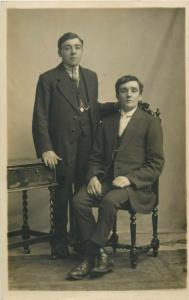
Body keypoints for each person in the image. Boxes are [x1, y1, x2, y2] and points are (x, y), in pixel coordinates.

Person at [67, 74, 164, 280]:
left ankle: (89, 256)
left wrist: (129, 179)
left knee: (109, 201)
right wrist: (93, 176)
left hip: (136, 187)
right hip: (107, 181)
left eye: (133, 90)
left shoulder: (151, 122)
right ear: (117, 95)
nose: (129, 94)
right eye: (124, 90)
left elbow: (156, 164)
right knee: (79, 201)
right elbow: (95, 156)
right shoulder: (107, 122)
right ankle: (101, 255)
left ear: (140, 94)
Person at [32, 32, 117, 258]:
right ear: (60, 52)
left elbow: (93, 108)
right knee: (61, 196)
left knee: (81, 195)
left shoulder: (91, 76)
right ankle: (59, 243)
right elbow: (40, 116)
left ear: (82, 50)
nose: (73, 51)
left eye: (77, 47)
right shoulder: (48, 78)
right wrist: (46, 148)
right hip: (60, 149)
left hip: (87, 149)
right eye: (67, 47)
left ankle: (80, 240)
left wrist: (118, 106)